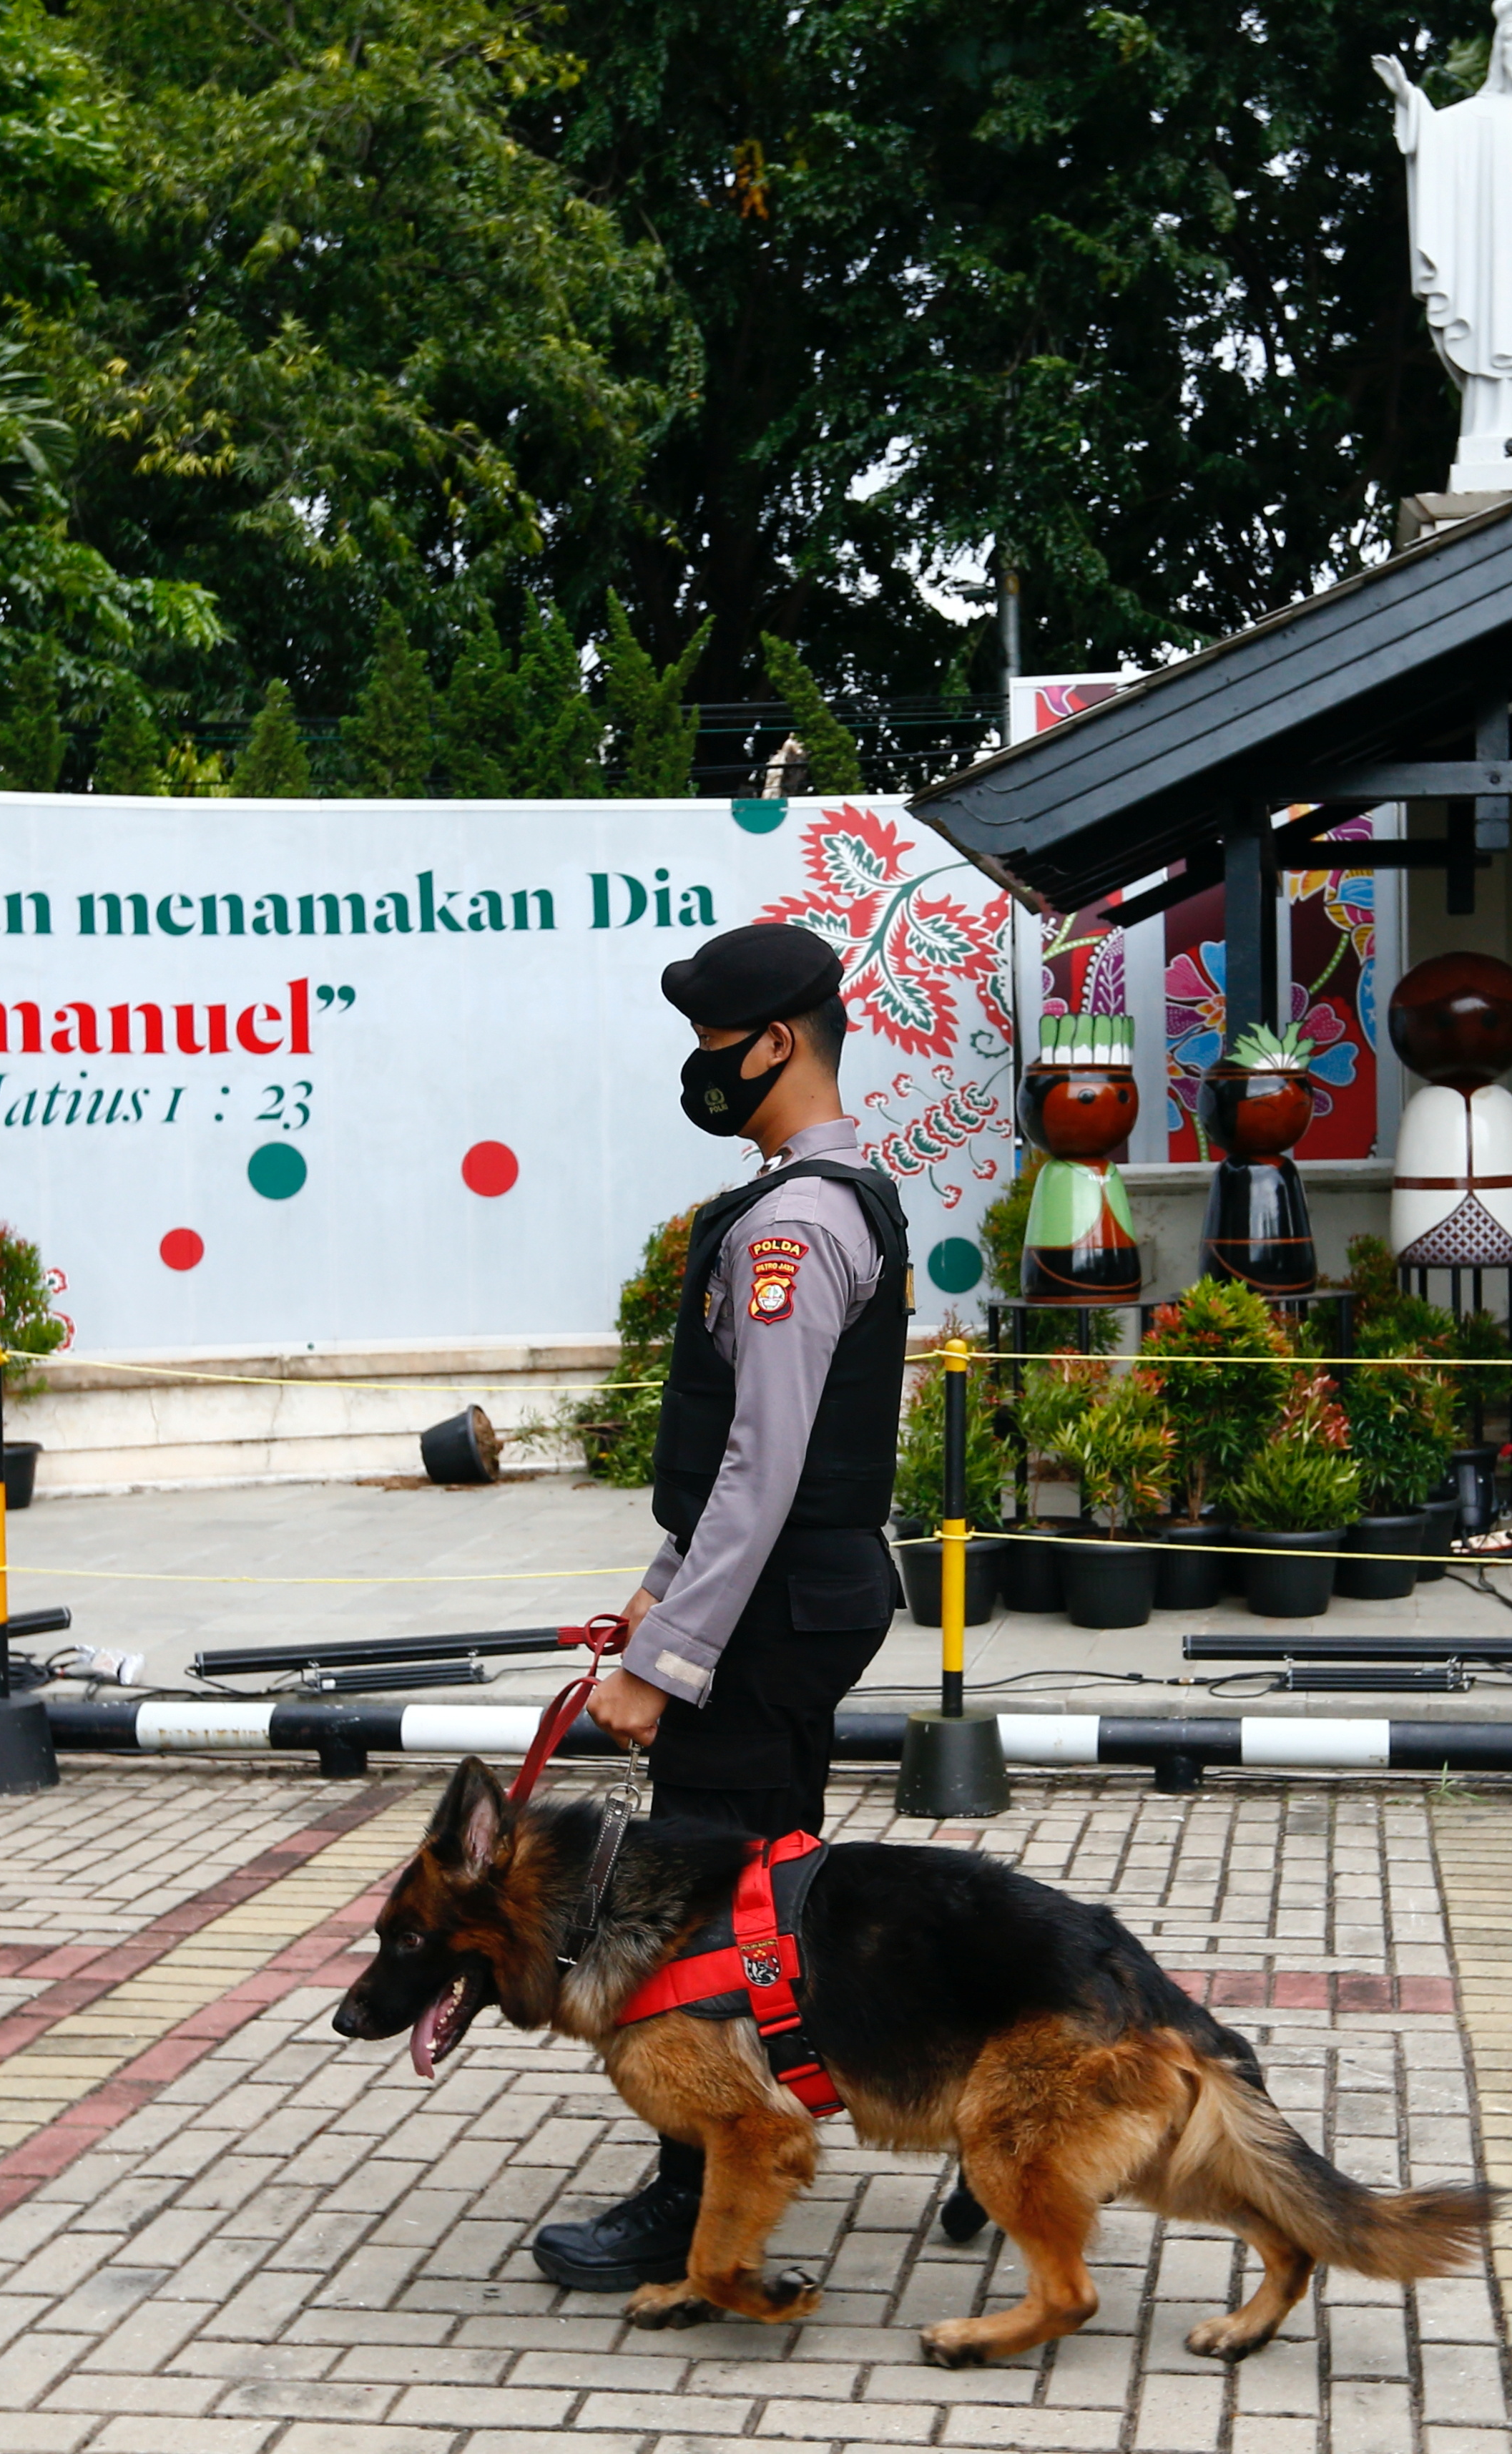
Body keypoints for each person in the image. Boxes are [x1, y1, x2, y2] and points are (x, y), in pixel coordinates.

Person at [529, 921, 910, 2292]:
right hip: (791, 1592)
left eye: (711, 1047)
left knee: (693, 1910)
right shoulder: (816, 1197)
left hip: (770, 1614)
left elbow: (763, 1465)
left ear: (779, 1043)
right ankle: (895, 2101)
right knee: (777, 1894)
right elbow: (726, 1487)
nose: (698, 1071)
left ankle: (700, 2184)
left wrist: (664, 1663)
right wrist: (642, 1609)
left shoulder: (796, 1227)